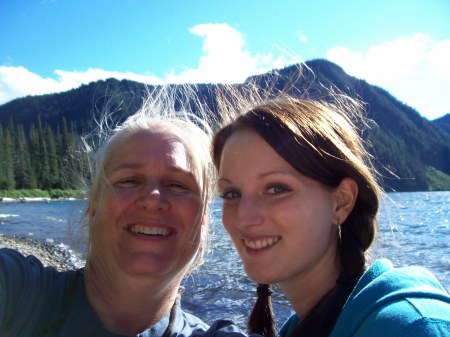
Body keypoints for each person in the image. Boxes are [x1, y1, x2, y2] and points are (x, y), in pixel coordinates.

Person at [0, 86, 247, 337]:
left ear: (204, 221)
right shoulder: (17, 291)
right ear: (93, 207)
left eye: (177, 185)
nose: (152, 199)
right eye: (129, 181)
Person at [211, 93, 450, 337]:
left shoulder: (410, 327)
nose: (244, 218)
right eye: (231, 194)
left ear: (341, 201)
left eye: (276, 189)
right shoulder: (304, 326)